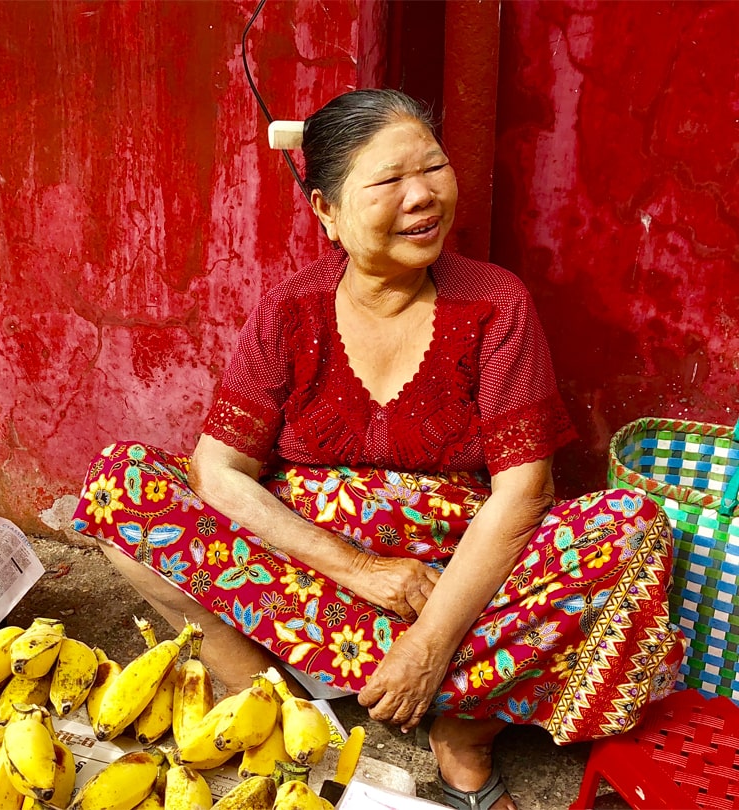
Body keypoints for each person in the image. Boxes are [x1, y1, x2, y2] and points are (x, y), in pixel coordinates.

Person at [72, 88, 684, 810]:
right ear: (326, 211)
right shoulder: (291, 308)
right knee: (122, 484)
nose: (423, 197)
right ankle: (268, 705)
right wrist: (360, 571)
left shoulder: (494, 303)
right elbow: (219, 469)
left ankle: (460, 726)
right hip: (315, 578)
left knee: (629, 527)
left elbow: (523, 494)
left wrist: (426, 643)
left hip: (455, 585)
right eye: (390, 181)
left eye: (433, 168)